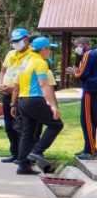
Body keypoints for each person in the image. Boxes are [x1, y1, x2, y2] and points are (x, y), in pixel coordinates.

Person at [12, 37, 63, 175]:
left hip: (23, 101)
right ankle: (37, 151)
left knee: (27, 133)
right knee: (56, 124)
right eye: (49, 49)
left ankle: (23, 166)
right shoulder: (40, 62)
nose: (50, 52)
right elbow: (44, 84)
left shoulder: (26, 61)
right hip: (34, 100)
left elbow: (17, 84)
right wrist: (53, 106)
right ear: (44, 49)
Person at [0, 28, 32, 164]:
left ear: (26, 40)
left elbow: (29, 78)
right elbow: (3, 71)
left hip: (21, 96)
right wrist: (1, 84)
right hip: (6, 95)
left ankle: (22, 155)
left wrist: (13, 87)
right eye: (13, 41)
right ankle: (14, 153)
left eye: (18, 41)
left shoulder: (31, 55)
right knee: (9, 126)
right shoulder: (10, 54)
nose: (15, 43)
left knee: (21, 126)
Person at [67, 36, 97, 161]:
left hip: (91, 90)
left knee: (87, 121)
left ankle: (89, 150)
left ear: (82, 44)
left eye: (76, 46)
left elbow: (81, 74)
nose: (76, 49)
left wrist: (73, 71)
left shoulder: (88, 54)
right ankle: (88, 147)